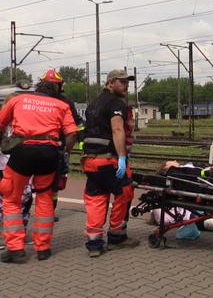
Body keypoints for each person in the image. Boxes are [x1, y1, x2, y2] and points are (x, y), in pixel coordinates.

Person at [0, 77, 77, 262]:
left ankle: (15, 249)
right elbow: (72, 133)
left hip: (23, 153)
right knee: (44, 198)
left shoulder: (18, 99)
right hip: (49, 154)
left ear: (36, 89)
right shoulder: (61, 105)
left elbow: (1, 123)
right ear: (54, 91)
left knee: (11, 198)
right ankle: (43, 248)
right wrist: (65, 153)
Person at [81, 69, 138, 257]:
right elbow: (117, 130)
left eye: (127, 82)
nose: (126, 85)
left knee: (96, 199)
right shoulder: (116, 103)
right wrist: (121, 157)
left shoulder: (93, 104)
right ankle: (117, 237)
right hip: (110, 160)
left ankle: (94, 243)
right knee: (124, 193)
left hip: (91, 161)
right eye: (122, 82)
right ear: (111, 82)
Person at [40, 69, 84, 219]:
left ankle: (48, 213)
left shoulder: (65, 102)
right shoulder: (61, 101)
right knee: (49, 184)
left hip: (55, 147)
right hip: (52, 148)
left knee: (55, 184)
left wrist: (82, 144)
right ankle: (46, 213)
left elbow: (77, 125)